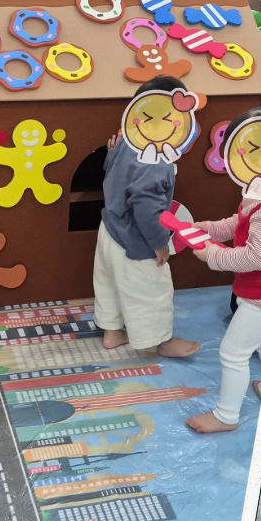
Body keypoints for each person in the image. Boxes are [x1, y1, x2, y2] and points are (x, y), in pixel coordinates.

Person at [186, 106, 261, 433]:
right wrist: (211, 229)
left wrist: (212, 255)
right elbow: (241, 222)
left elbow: (256, 258)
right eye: (247, 151)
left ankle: (226, 416)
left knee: (233, 353)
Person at [93, 77, 199, 359]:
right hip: (135, 239)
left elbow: (114, 171)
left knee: (108, 282)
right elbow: (146, 208)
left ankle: (112, 332)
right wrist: (159, 243)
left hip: (109, 228)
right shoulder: (156, 160)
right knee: (152, 290)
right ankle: (161, 340)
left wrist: (111, 154)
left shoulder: (127, 141)